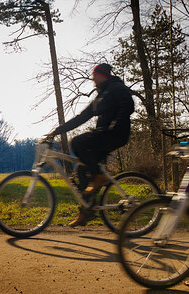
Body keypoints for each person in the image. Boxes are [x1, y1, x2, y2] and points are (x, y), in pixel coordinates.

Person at [47, 63, 134, 227]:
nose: (93, 79)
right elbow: (82, 117)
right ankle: (87, 213)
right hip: (105, 134)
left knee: (77, 142)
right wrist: (57, 131)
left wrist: (115, 125)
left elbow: (128, 105)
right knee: (82, 170)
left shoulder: (116, 88)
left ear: (103, 75)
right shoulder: (101, 95)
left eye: (95, 75)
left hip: (115, 134)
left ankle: (100, 177)